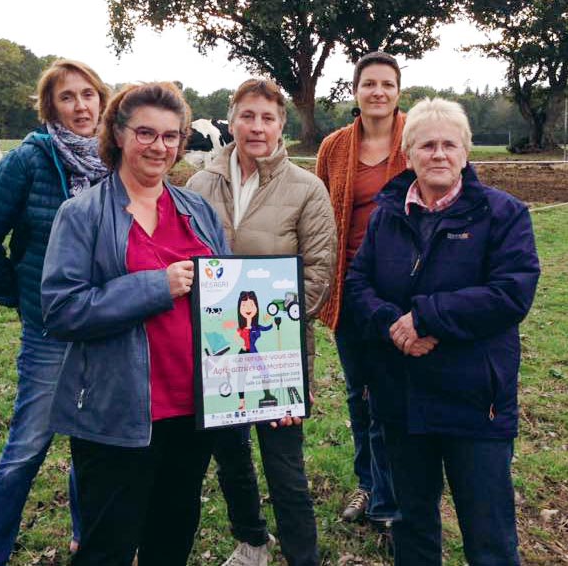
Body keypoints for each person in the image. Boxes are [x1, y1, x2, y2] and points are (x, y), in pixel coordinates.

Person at [344, 97, 540, 565]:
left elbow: (512, 293)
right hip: (402, 398)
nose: (438, 154)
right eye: (426, 145)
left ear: (466, 152)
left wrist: (427, 318)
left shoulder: (503, 214)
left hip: (475, 401)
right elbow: (357, 282)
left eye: (449, 144)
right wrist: (393, 323)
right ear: (408, 154)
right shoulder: (386, 215)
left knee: (488, 530)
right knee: (412, 524)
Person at [41, 82, 230, 566]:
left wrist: (266, 382)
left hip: (191, 412)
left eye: (171, 136)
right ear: (119, 135)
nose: (159, 146)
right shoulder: (81, 214)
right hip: (116, 414)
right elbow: (61, 309)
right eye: (146, 132)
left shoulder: (198, 211)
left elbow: (229, 304)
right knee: (108, 546)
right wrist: (153, 288)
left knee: (172, 538)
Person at [0, 58, 110, 563]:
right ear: (51, 107)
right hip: (50, 327)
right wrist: (16, 293)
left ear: (102, 99)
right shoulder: (30, 159)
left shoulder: (116, 157)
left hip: (108, 323)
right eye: (67, 97)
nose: (80, 106)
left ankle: (86, 535)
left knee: (93, 444)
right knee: (27, 447)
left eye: (87, 94)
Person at [187, 78, 336, 566]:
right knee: (230, 458)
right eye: (247, 116)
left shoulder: (307, 189)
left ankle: (302, 556)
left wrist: (274, 337)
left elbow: (319, 271)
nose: (256, 127)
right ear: (231, 119)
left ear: (280, 126)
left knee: (285, 466)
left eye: (267, 118)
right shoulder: (200, 183)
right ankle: (252, 540)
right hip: (219, 354)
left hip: (277, 356)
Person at [315, 51, 405, 526]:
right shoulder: (334, 147)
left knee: (391, 395)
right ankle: (368, 486)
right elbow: (317, 215)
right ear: (355, 91)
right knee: (359, 394)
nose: (378, 92)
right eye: (369, 83)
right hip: (348, 289)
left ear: (397, 91)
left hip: (402, 293)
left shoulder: (417, 139)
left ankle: (395, 498)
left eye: (386, 84)